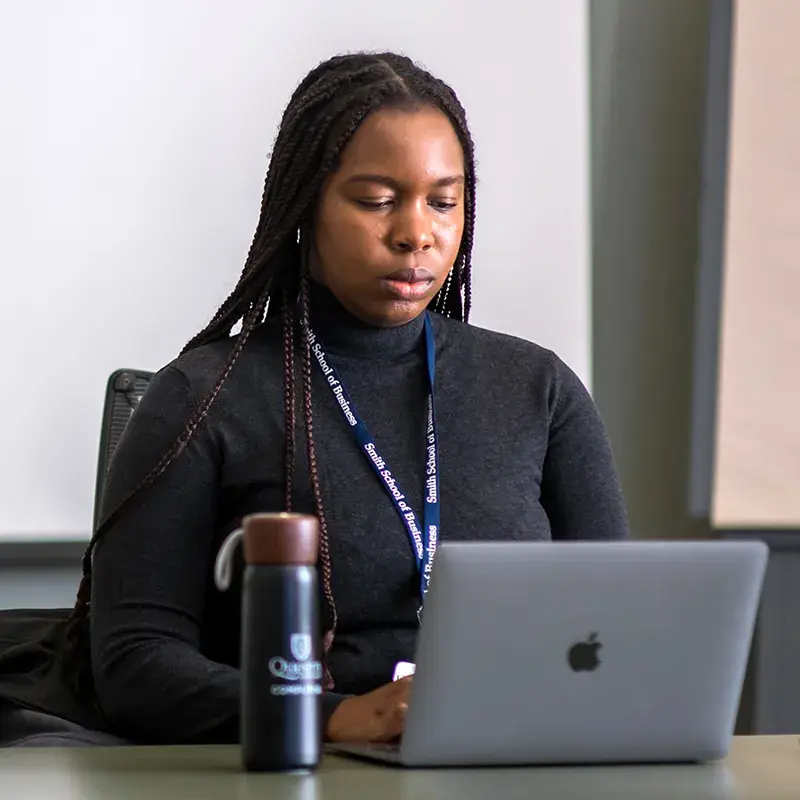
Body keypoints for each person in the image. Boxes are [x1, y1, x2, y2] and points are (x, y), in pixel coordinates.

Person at [0, 51, 628, 747]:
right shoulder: (203, 400)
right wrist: (333, 717)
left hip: (520, 758)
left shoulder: (539, 391)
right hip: (301, 765)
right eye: (376, 201)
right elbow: (135, 665)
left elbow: (613, 628)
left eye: (443, 202)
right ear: (306, 207)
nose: (416, 233)